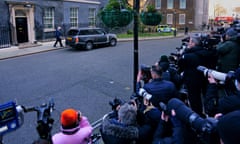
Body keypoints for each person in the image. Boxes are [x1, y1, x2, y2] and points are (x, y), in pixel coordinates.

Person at [178, 33, 217, 116]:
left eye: (190, 41)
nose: (188, 43)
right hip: (205, 78)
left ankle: (198, 115)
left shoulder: (188, 55)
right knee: (207, 95)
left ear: (193, 43)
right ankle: (209, 112)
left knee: (194, 99)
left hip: (192, 80)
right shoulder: (208, 53)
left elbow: (180, 66)